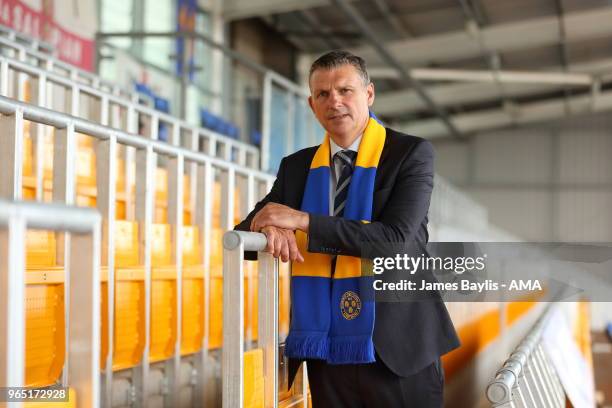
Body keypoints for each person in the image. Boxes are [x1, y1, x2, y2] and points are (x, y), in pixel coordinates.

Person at [235, 50, 459, 407]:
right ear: (311, 104)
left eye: (345, 90)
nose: (334, 101)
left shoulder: (410, 153)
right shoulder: (297, 167)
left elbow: (394, 241)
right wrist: (272, 229)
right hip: (327, 348)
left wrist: (302, 221)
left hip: (397, 347)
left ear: (368, 94)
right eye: (323, 94)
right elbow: (246, 235)